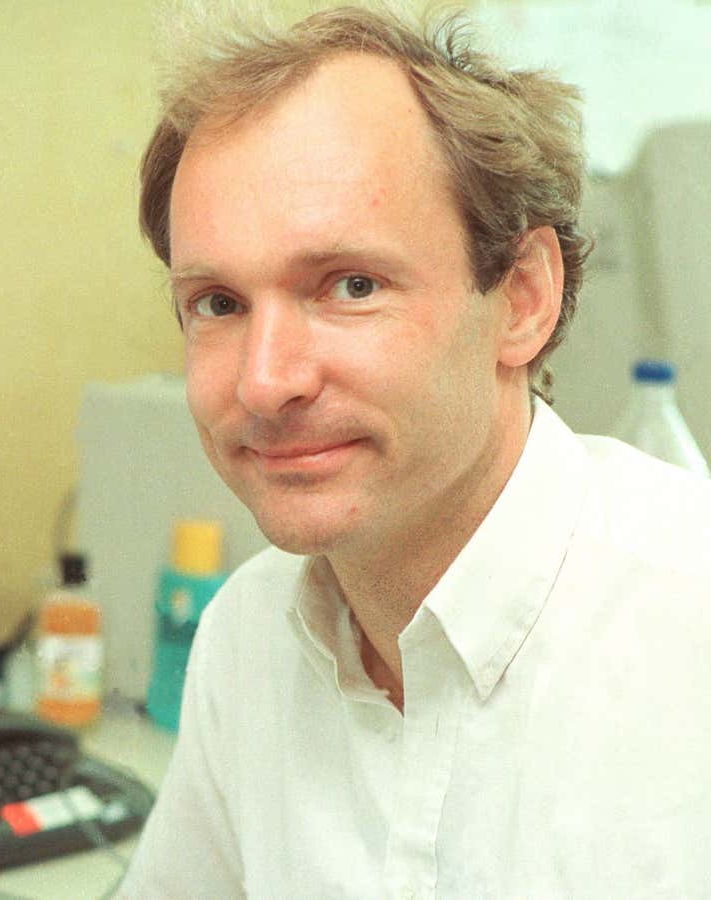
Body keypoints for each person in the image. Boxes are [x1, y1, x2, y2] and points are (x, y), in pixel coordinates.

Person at [117, 4, 711, 898]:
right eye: (217, 303)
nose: (264, 383)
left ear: (521, 299)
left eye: (351, 286)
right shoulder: (250, 639)